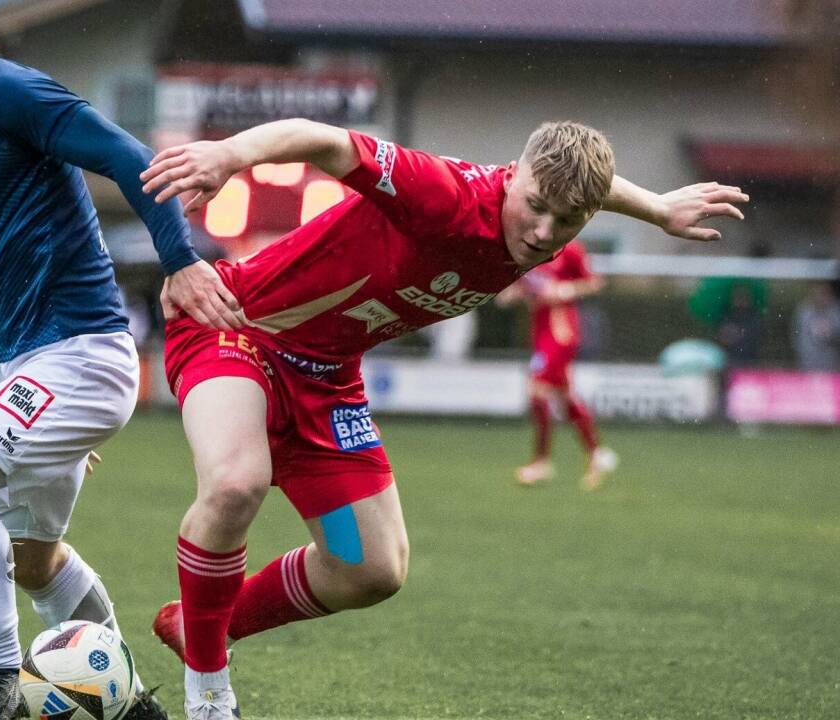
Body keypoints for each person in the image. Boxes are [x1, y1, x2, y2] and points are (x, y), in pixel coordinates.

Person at [137, 118, 748, 719]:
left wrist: (659, 209)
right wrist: (229, 155)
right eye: (535, 207)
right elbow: (323, 140)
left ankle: (201, 626)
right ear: (515, 175)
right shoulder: (445, 194)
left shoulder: (554, 202)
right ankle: (209, 695)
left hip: (326, 380)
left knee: (369, 569)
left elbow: (590, 188)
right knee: (236, 482)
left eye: (567, 221)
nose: (544, 232)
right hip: (234, 326)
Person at [0, 1, 242, 718]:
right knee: (33, 563)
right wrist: (38, 415)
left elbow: (130, 159)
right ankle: (131, 705)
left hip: (83, 351)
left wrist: (180, 261)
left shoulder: (7, 91)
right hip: (27, 371)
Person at [496, 239, 617, 490]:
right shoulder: (528, 246)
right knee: (564, 396)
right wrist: (511, 294)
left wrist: (565, 290)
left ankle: (541, 462)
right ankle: (596, 454)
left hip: (561, 329)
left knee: (537, 389)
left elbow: (595, 283)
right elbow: (518, 290)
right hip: (540, 329)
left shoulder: (570, 248)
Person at [793, 279, 840, 371]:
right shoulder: (804, 312)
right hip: (808, 366)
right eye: (817, 292)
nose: (820, 297)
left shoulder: (836, 311)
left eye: (824, 293)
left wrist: (831, 333)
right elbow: (798, 340)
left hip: (832, 367)